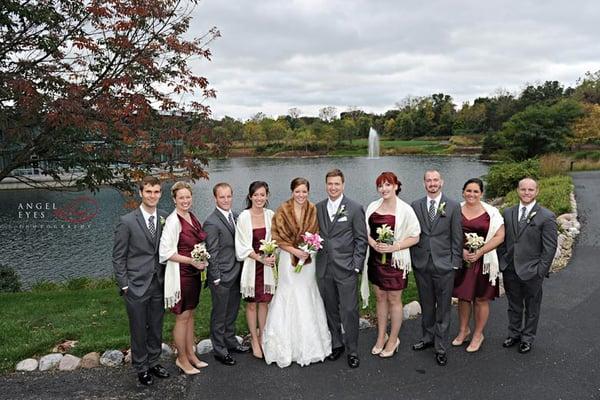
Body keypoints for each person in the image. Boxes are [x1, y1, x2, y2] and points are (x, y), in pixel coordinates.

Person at [262, 177, 332, 368]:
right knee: (289, 293)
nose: (301, 195)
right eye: (297, 191)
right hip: (288, 259)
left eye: (304, 192)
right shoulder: (282, 210)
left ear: (308, 192)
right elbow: (277, 236)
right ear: (292, 192)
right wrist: (295, 251)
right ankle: (285, 347)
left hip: (308, 261)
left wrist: (308, 250)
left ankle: (311, 346)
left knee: (307, 293)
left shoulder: (313, 209)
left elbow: (317, 234)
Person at [112, 175, 170, 386]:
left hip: (159, 283)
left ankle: (154, 362)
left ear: (160, 193)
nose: (152, 195)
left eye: (156, 192)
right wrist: (125, 285)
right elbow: (118, 256)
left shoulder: (165, 216)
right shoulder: (126, 221)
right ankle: (141, 367)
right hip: (135, 285)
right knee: (138, 328)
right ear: (141, 193)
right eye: (148, 191)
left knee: (156, 326)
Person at [362, 172, 420, 358]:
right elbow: (366, 232)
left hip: (396, 261)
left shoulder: (406, 210)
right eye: (380, 185)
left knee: (394, 299)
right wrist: (372, 243)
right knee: (379, 297)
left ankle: (394, 339)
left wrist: (395, 247)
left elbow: (415, 236)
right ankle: (381, 336)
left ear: (396, 186)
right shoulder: (372, 206)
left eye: (388, 184)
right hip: (376, 260)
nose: (383, 189)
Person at [497, 177, 558, 354]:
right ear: (518, 190)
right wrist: (503, 260)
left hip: (533, 270)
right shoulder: (508, 213)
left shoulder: (546, 216)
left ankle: (527, 338)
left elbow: (550, 248)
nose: (526, 193)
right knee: (514, 304)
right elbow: (503, 240)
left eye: (530, 190)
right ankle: (514, 334)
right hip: (510, 268)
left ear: (537, 192)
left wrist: (541, 271)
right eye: (523, 189)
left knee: (532, 306)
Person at [316, 169, 368, 368]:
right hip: (324, 268)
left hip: (346, 269)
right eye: (330, 183)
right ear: (326, 185)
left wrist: (356, 266)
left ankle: (352, 350)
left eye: (337, 184)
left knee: (349, 310)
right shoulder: (318, 207)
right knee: (330, 309)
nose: (333, 187)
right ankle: (337, 344)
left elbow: (361, 240)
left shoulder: (354, 208)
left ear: (343, 185)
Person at [410, 170, 463, 366]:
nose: (432, 183)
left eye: (435, 180)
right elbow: (412, 232)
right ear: (424, 183)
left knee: (443, 308)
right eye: (428, 180)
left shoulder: (453, 206)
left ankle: (441, 346)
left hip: (445, 264)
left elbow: (457, 237)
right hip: (422, 263)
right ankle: (427, 338)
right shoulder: (415, 205)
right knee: (426, 304)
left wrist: (455, 262)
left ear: (442, 182)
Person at [159, 181, 209, 375]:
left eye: (188, 197)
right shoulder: (173, 221)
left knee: (190, 315)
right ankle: (181, 359)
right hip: (182, 275)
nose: (185, 200)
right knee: (182, 317)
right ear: (174, 199)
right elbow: (165, 253)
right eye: (181, 197)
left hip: (194, 273)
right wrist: (191, 260)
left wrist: (201, 259)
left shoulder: (191, 216)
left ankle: (191, 355)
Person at [451, 178, 505, 353]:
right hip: (463, 260)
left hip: (484, 261)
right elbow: (448, 233)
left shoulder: (492, 213)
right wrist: (461, 251)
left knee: (481, 299)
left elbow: (499, 236)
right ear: (463, 192)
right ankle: (463, 330)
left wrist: (480, 251)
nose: (471, 194)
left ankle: (478, 334)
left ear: (481, 193)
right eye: (468, 190)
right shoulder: (455, 210)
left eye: (475, 191)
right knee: (463, 297)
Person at [204, 183, 249, 366]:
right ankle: (220, 350)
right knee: (219, 315)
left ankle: (230, 342)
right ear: (215, 198)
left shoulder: (236, 216)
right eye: (222, 197)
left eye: (228, 196)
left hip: (236, 273)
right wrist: (215, 277)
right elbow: (212, 253)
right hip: (221, 277)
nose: (226, 200)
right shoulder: (211, 222)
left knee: (231, 312)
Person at [235, 181, 276, 359]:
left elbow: (276, 239)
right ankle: (253, 339)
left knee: (265, 302)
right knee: (252, 304)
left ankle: (263, 337)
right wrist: (260, 258)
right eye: (256, 195)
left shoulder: (271, 215)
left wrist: (273, 255)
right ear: (250, 196)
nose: (259, 198)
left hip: (267, 267)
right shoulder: (244, 217)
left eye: (262, 195)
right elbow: (241, 245)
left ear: (267, 196)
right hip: (252, 265)